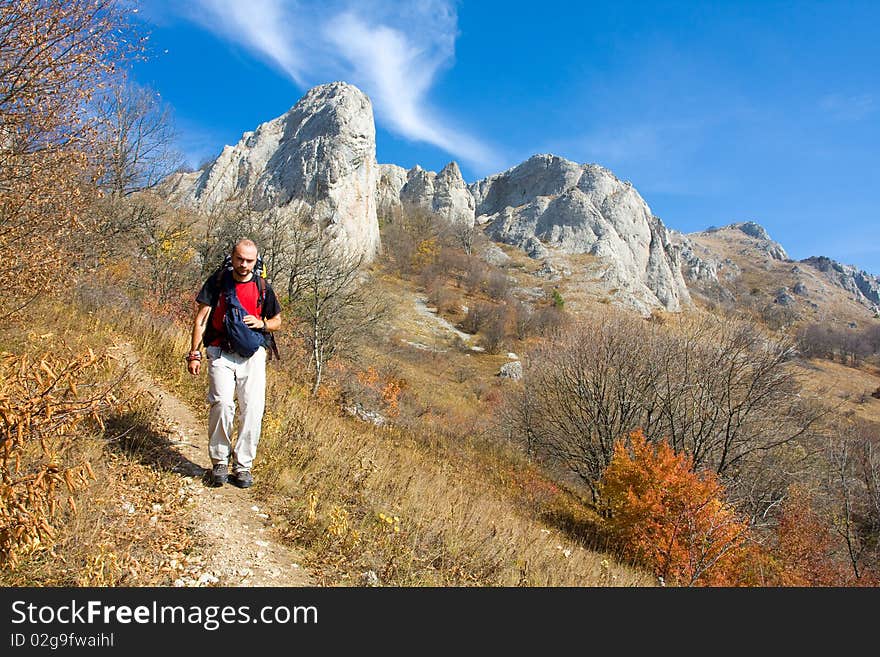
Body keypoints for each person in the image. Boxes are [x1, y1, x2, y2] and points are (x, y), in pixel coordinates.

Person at [186, 239, 282, 488]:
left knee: (252, 409)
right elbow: (200, 320)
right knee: (222, 403)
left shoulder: (262, 286)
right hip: (220, 350)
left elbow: (277, 321)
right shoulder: (218, 281)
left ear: (256, 261)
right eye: (240, 259)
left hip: (252, 355)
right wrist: (194, 353)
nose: (244, 264)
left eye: (249, 260)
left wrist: (261, 324)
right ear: (232, 257)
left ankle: (243, 467)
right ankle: (219, 461)